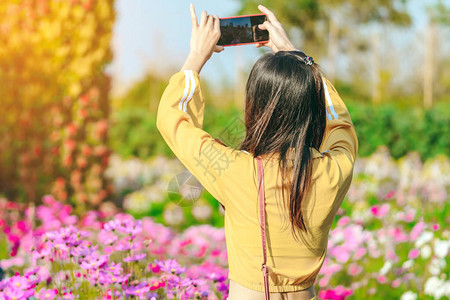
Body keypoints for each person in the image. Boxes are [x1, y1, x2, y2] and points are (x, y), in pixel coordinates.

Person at [156, 4, 358, 300]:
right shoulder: (335, 169)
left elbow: (172, 117)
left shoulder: (234, 170)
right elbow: (339, 120)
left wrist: (196, 57)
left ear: (255, 107)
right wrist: (298, 58)